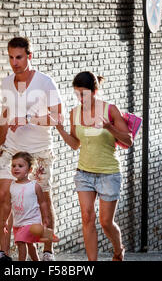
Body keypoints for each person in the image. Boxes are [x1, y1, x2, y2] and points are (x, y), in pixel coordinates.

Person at [0, 37, 63, 261]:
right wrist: (0, 146)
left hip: (38, 151)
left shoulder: (45, 82)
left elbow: (58, 117)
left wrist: (29, 118)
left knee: (43, 199)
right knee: (3, 195)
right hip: (12, 148)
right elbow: (4, 117)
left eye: (19, 57)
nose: (15, 62)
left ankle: (48, 250)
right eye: (11, 57)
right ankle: (3, 251)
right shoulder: (6, 83)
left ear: (29, 56)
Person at [55, 71, 133, 261]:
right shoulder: (74, 113)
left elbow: (128, 141)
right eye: (77, 94)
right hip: (84, 174)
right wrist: (60, 129)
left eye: (84, 94)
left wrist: (109, 128)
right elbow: (75, 144)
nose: (80, 98)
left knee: (106, 222)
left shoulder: (110, 110)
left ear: (95, 91)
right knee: (87, 218)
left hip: (108, 173)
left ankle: (118, 250)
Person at [3, 152, 58, 261]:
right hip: (18, 223)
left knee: (21, 243)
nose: (16, 168)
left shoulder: (34, 186)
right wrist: (5, 220)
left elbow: (43, 203)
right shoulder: (12, 186)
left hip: (31, 222)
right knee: (30, 245)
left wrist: (45, 217)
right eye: (13, 166)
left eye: (20, 166)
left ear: (30, 169)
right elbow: (8, 205)